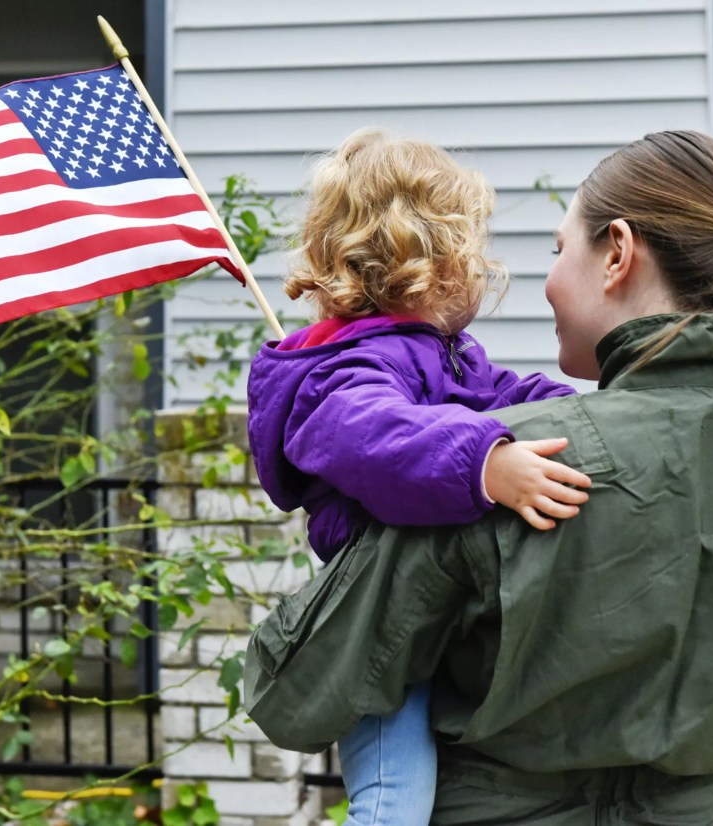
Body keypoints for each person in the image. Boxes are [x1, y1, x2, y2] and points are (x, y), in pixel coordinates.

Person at [244, 130, 713, 825]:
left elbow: (300, 690)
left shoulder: (510, 470)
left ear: (617, 252)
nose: (544, 281)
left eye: (559, 251)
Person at [245, 129, 592, 826]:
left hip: (429, 612)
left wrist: (606, 419)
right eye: (474, 258)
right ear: (432, 268)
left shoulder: (444, 356)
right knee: (393, 806)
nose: (481, 274)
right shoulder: (346, 373)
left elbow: (509, 395)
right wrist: (487, 464)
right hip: (381, 634)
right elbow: (373, 436)